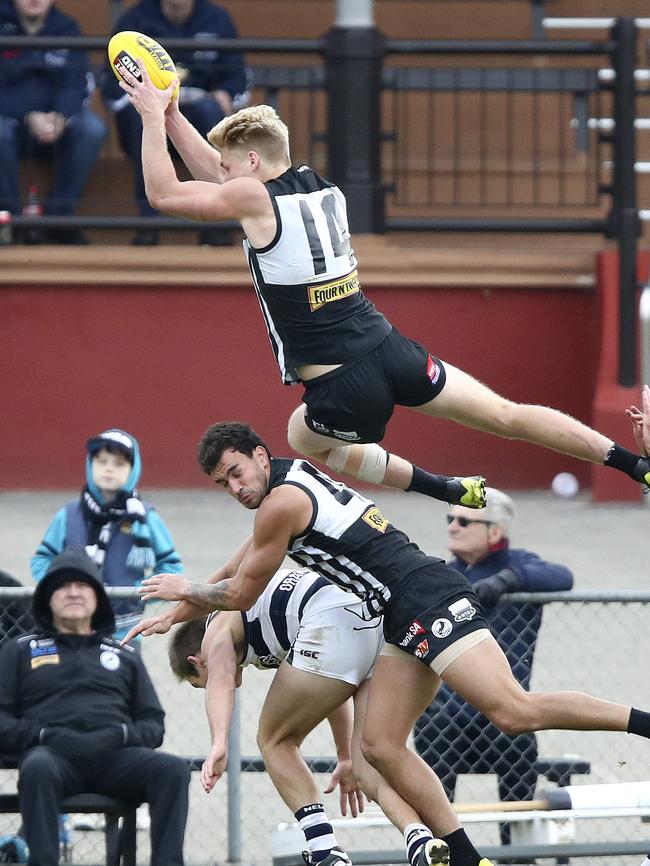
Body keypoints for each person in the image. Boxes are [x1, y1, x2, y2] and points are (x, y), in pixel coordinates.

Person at [125, 422, 650, 866]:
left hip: (424, 594)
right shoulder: (287, 479)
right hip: (393, 615)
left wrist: (185, 588)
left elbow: (240, 591)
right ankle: (466, 857)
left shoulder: (280, 503)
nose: (235, 488)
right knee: (378, 747)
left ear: (260, 456)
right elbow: (234, 569)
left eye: (236, 473)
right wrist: (177, 612)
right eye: (222, 484)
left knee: (512, 711)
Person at [114, 75, 650, 499]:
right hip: (391, 349)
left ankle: (439, 487)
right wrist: (174, 114)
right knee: (505, 414)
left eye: (231, 168)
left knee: (301, 435)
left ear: (252, 165)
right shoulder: (318, 186)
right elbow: (220, 173)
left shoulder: (252, 197)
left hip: (342, 387)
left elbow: (164, 193)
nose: (223, 176)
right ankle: (635, 466)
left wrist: (148, 120)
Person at [167, 566, 450, 866]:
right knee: (368, 763)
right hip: (372, 627)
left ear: (196, 660)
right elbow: (332, 687)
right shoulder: (255, 620)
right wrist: (345, 755)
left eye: (200, 683)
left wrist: (219, 741)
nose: (207, 686)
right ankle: (418, 838)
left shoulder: (216, 630)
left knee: (274, 740)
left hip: (328, 622)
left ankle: (324, 849)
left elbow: (221, 680)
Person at [0, 546, 190, 866]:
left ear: (98, 598)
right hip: (51, 757)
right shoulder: (19, 651)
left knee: (172, 770)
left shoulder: (123, 654)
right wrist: (43, 735)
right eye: (63, 586)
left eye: (83, 585)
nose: (73, 592)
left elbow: (153, 722)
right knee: (37, 767)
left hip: (116, 758)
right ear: (47, 597)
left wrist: (121, 735)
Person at [413, 489, 573, 852]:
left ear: (495, 532)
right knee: (433, 725)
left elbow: (562, 576)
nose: (453, 526)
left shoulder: (519, 566)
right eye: (450, 519)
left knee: (519, 733)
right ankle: (443, 850)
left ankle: (514, 852)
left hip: (501, 720)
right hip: (448, 720)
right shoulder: (446, 574)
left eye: (465, 520)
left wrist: (507, 581)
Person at [100, 0, 249, 246]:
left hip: (200, 106)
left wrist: (225, 95)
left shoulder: (217, 19)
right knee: (142, 117)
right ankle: (148, 225)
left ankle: (215, 226)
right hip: (148, 107)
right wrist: (143, 103)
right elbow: (109, 83)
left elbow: (237, 76)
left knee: (210, 110)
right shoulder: (135, 19)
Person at [31, 428, 183, 642]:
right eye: (102, 461)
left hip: (125, 630)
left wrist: (137, 591)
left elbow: (171, 566)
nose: (109, 469)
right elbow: (41, 560)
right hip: (71, 628)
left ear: (133, 470)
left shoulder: (145, 517)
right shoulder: (69, 514)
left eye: (119, 464)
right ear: (90, 465)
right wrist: (61, 586)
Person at [0, 0, 107, 245]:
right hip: (9, 120)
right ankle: (9, 220)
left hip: (55, 123)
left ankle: (60, 216)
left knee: (92, 129)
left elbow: (77, 81)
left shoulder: (66, 27)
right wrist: (27, 115)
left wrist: (61, 116)